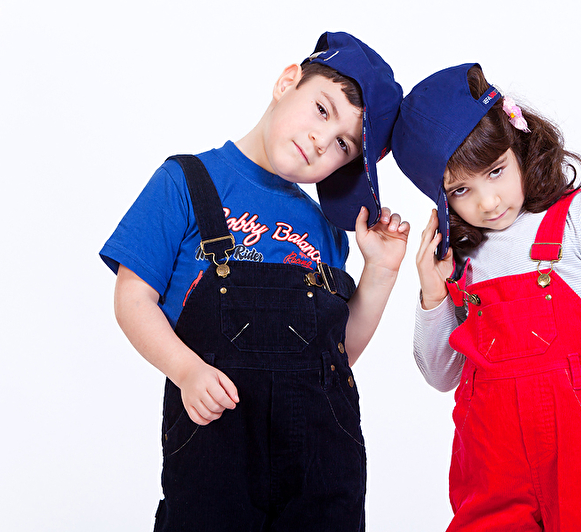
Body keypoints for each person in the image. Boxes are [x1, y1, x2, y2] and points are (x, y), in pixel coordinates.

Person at [100, 32, 407, 531]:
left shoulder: (328, 231)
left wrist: (381, 271)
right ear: (287, 82)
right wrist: (186, 370)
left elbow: (336, 355)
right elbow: (132, 299)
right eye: (322, 110)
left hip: (321, 466)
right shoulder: (186, 181)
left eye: (343, 145)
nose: (321, 141)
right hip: (215, 452)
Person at [391, 63, 581, 531]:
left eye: (496, 171)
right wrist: (433, 293)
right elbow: (442, 375)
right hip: (492, 464)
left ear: (518, 145)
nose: (488, 202)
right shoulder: (462, 258)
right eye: (461, 189)